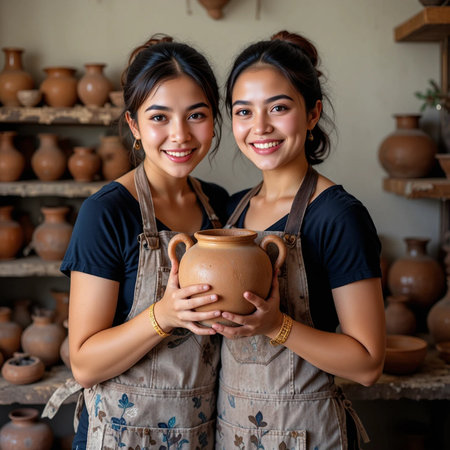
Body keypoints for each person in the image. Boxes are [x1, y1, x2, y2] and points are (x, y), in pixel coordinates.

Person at [43, 35, 228, 449]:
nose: (180, 135)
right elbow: (85, 365)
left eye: (196, 115)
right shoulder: (107, 212)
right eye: (159, 117)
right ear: (134, 125)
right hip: (123, 435)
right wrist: (163, 314)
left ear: (215, 119)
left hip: (202, 433)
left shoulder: (220, 206)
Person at [211, 31, 385, 449]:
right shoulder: (233, 211)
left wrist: (277, 325)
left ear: (312, 114)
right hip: (230, 431)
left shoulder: (338, 215)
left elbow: (367, 363)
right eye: (243, 111)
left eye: (279, 108)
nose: (260, 127)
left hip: (306, 433)